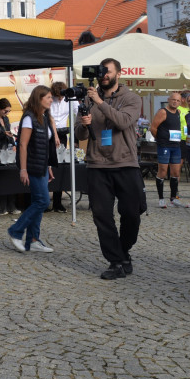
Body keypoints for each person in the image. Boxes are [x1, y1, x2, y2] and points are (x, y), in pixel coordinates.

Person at [76, 58, 143, 280]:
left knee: (132, 214)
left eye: (108, 71)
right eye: (101, 71)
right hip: (97, 164)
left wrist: (100, 103)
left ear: (118, 74)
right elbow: (80, 134)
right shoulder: (87, 99)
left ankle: (123, 251)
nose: (104, 75)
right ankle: (115, 261)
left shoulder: (131, 98)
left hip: (125, 163)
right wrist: (85, 125)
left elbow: (123, 122)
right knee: (102, 215)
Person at [7, 85, 59, 253]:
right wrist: (23, 169)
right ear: (39, 98)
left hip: (42, 166)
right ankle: (16, 231)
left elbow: (45, 145)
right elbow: (22, 144)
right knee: (42, 201)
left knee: (39, 201)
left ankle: (34, 239)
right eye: (49, 97)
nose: (51, 100)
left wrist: (49, 166)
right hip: (32, 166)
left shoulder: (43, 117)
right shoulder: (30, 117)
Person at [150, 91, 185, 207]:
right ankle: (161, 199)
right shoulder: (163, 112)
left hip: (176, 146)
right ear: (169, 100)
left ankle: (173, 198)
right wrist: (160, 139)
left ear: (180, 102)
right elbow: (153, 128)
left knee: (175, 172)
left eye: (178, 100)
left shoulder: (178, 112)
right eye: (173, 99)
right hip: (164, 146)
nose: (175, 102)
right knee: (163, 172)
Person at [49, 81, 78, 212]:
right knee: (48, 164)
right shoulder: (50, 99)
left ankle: (57, 202)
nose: (59, 99)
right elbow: (50, 118)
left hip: (62, 134)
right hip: (49, 133)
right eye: (57, 96)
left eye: (60, 96)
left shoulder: (70, 99)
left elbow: (78, 112)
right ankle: (44, 200)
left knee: (59, 166)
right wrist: (54, 134)